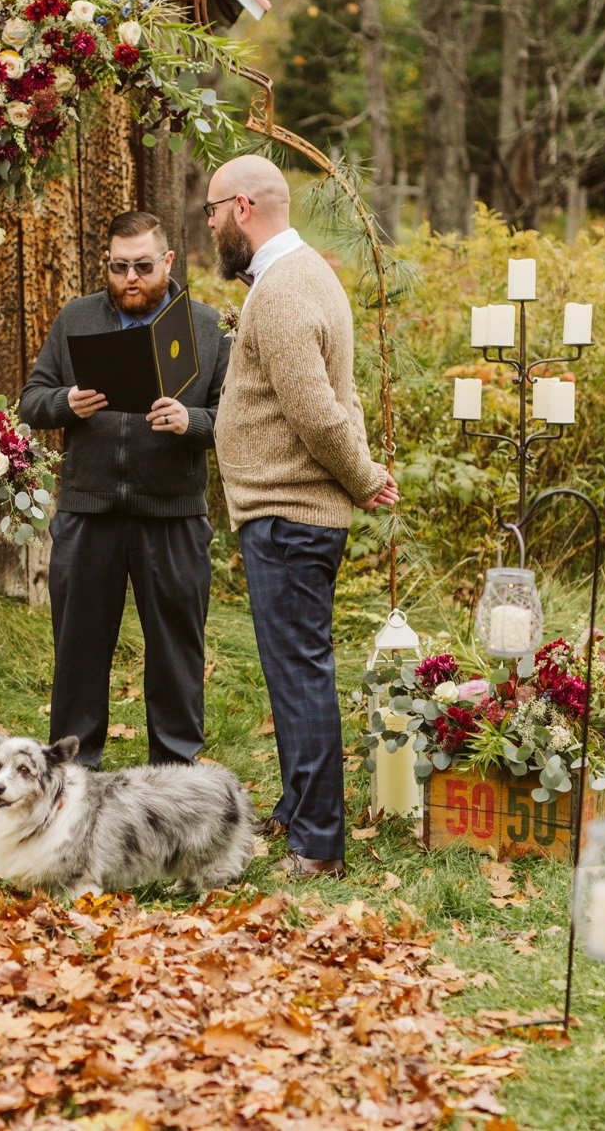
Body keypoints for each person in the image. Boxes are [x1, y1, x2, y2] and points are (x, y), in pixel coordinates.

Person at [205, 155, 398, 878]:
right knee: (295, 669)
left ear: (244, 206)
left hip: (289, 512)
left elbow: (319, 412)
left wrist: (364, 477)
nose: (211, 223)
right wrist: (362, 473)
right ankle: (299, 805)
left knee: (300, 675)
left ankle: (317, 844)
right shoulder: (304, 273)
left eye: (213, 209)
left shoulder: (283, 288)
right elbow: (341, 398)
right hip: (289, 511)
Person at [20, 210, 229, 770]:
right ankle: (71, 774)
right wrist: (66, 402)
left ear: (165, 262)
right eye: (118, 267)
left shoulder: (204, 326)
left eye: (141, 266)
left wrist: (195, 422)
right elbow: (32, 397)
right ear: (106, 265)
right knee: (79, 653)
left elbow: (234, 416)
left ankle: (176, 776)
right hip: (88, 513)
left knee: (176, 655)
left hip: (174, 514)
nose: (130, 278)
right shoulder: (77, 318)